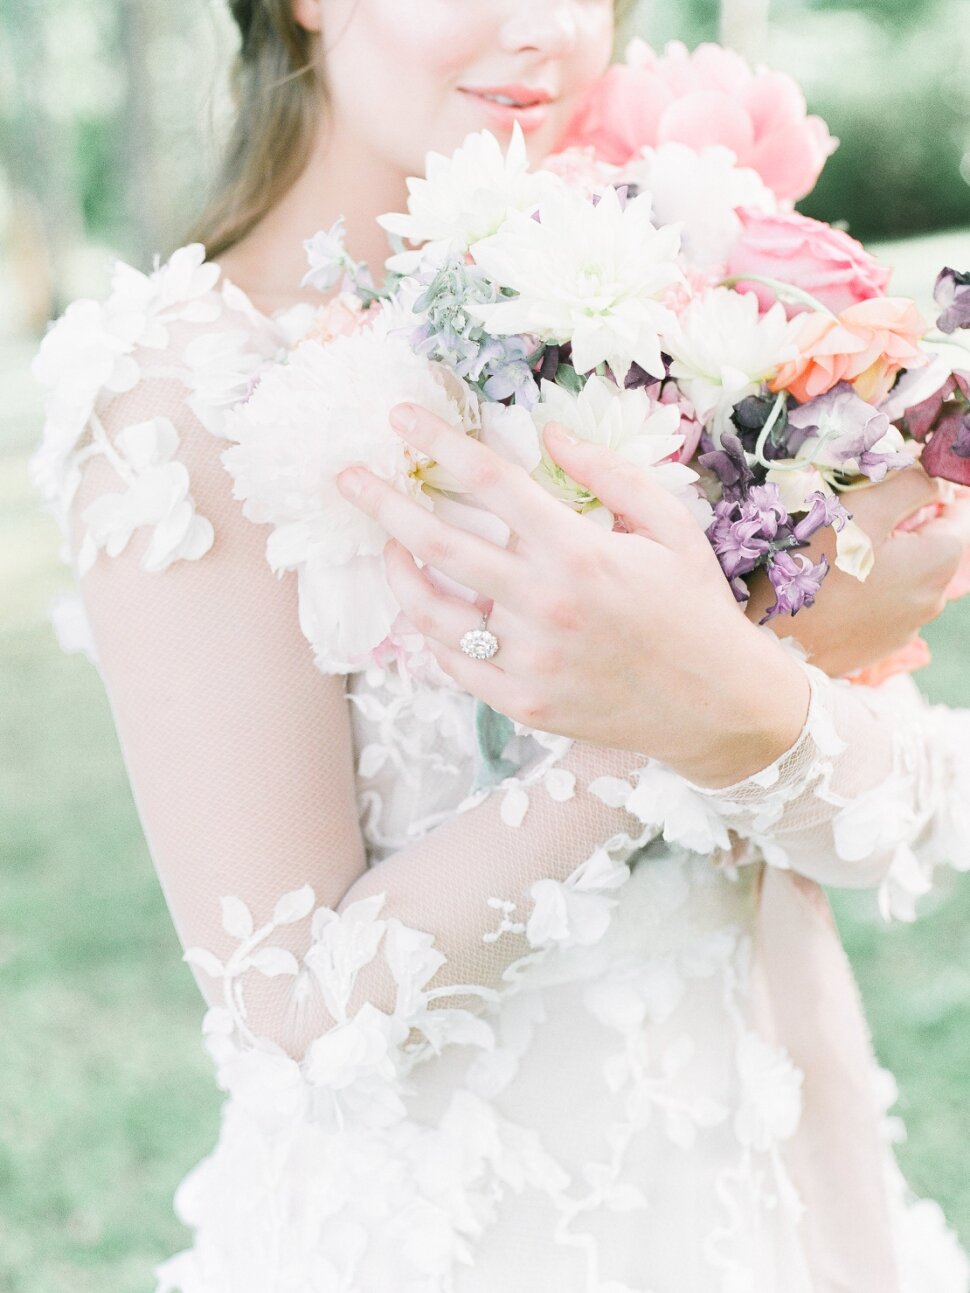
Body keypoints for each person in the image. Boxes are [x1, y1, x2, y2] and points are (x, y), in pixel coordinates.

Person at [29, 1, 970, 1290]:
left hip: (793, 1203)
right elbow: (293, 1012)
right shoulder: (175, 395)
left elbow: (891, 828)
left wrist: (740, 681)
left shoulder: (676, 293)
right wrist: (674, 707)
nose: (551, 30)